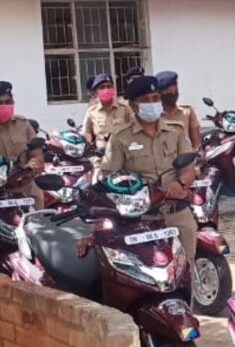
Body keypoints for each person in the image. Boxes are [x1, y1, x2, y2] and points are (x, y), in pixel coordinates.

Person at [101, 75, 198, 260]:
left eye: (155, 98)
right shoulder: (120, 137)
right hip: (140, 218)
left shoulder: (176, 131)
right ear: (133, 105)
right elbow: (109, 176)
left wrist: (180, 183)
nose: (152, 103)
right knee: (147, 268)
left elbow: (188, 167)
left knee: (186, 266)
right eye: (145, 100)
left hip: (176, 212)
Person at [156, 71, 203, 152]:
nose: (173, 93)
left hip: (185, 156)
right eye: (169, 93)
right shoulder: (154, 115)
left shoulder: (187, 111)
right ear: (160, 94)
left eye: (175, 91)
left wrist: (197, 154)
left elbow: (196, 143)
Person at [82, 73, 132, 150]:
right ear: (96, 92)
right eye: (102, 87)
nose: (106, 89)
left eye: (109, 86)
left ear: (113, 89)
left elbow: (134, 129)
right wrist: (89, 145)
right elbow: (87, 131)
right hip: (102, 153)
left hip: (124, 151)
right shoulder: (92, 111)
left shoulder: (125, 108)